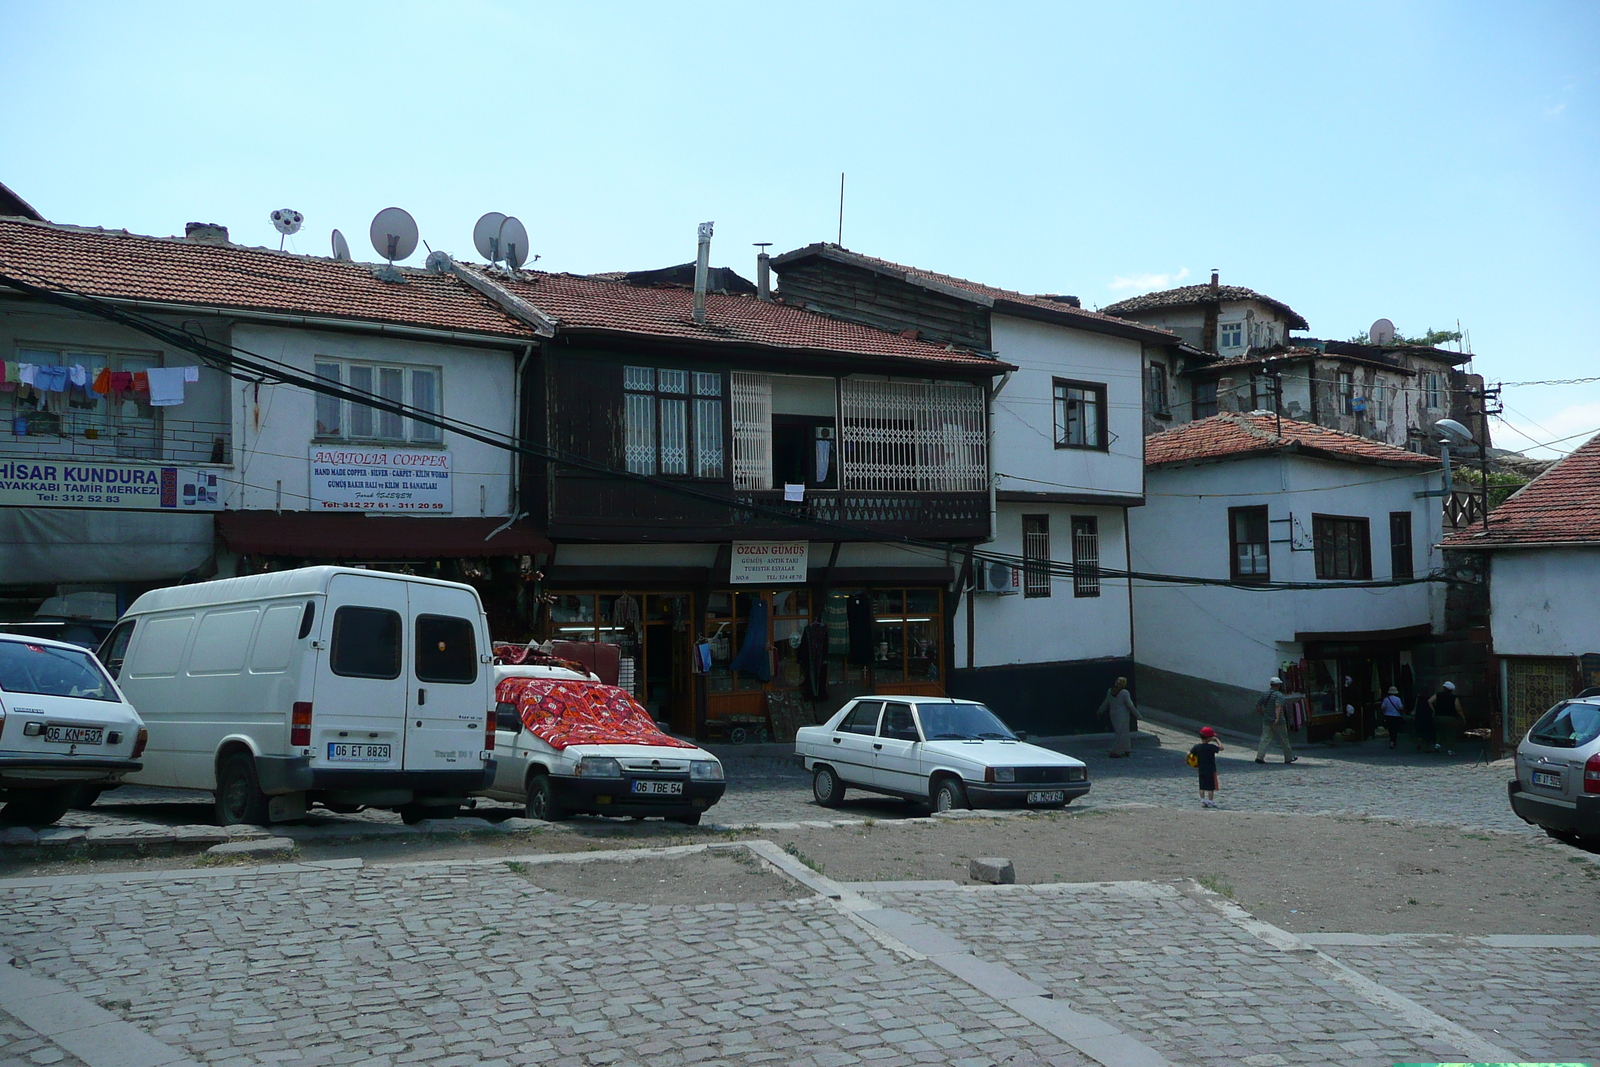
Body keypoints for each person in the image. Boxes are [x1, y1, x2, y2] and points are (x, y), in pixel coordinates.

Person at [1254, 676, 1298, 764]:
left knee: (1265, 738)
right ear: (1278, 685)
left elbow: (1258, 704)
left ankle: (1259, 757)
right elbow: (1278, 706)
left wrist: (1262, 713)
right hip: (1279, 721)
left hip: (1267, 720)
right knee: (1284, 739)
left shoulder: (1265, 694)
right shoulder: (1279, 695)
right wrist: (1277, 718)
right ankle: (1288, 758)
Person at [1098, 677, 1137, 758]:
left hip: (1113, 714)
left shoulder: (1110, 691)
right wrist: (1137, 715)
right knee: (1123, 733)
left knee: (1119, 732)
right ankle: (1115, 751)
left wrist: (1100, 710)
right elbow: (1130, 705)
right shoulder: (1124, 692)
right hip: (1123, 714)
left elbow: (1106, 702)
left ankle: (1126, 748)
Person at [1421, 681, 1457, 753]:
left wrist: (1434, 710)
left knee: (1439, 732)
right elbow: (1458, 707)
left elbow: (1429, 701)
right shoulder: (1454, 698)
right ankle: (1450, 750)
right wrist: (1462, 716)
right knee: (1450, 733)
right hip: (1450, 717)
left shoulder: (1438, 695)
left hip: (1438, 716)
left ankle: (1437, 746)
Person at [1191, 726, 1223, 807]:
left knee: (1202, 786)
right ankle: (1210, 801)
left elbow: (1189, 754)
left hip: (1201, 768)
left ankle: (1203, 801)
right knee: (1210, 787)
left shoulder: (1197, 747)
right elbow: (1221, 748)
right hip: (1211, 769)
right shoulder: (1211, 747)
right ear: (1209, 738)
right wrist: (1217, 740)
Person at [1380, 685, 1405, 750]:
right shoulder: (1398, 699)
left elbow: (1382, 708)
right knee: (1395, 729)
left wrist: (1384, 713)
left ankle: (1391, 741)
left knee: (1390, 729)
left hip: (1388, 716)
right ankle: (1394, 741)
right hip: (1396, 716)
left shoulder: (1386, 699)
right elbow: (1401, 708)